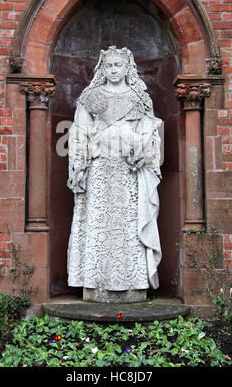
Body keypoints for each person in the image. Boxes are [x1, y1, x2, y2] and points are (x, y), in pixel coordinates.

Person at [67, 46, 162, 301]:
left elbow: (151, 132)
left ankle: (134, 284)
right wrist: (78, 166)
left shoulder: (139, 98)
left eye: (118, 65)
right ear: (102, 69)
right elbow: (78, 134)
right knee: (99, 225)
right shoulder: (91, 97)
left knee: (130, 226)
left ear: (127, 68)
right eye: (109, 66)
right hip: (99, 171)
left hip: (129, 172)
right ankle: (94, 284)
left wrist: (144, 152)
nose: (113, 70)